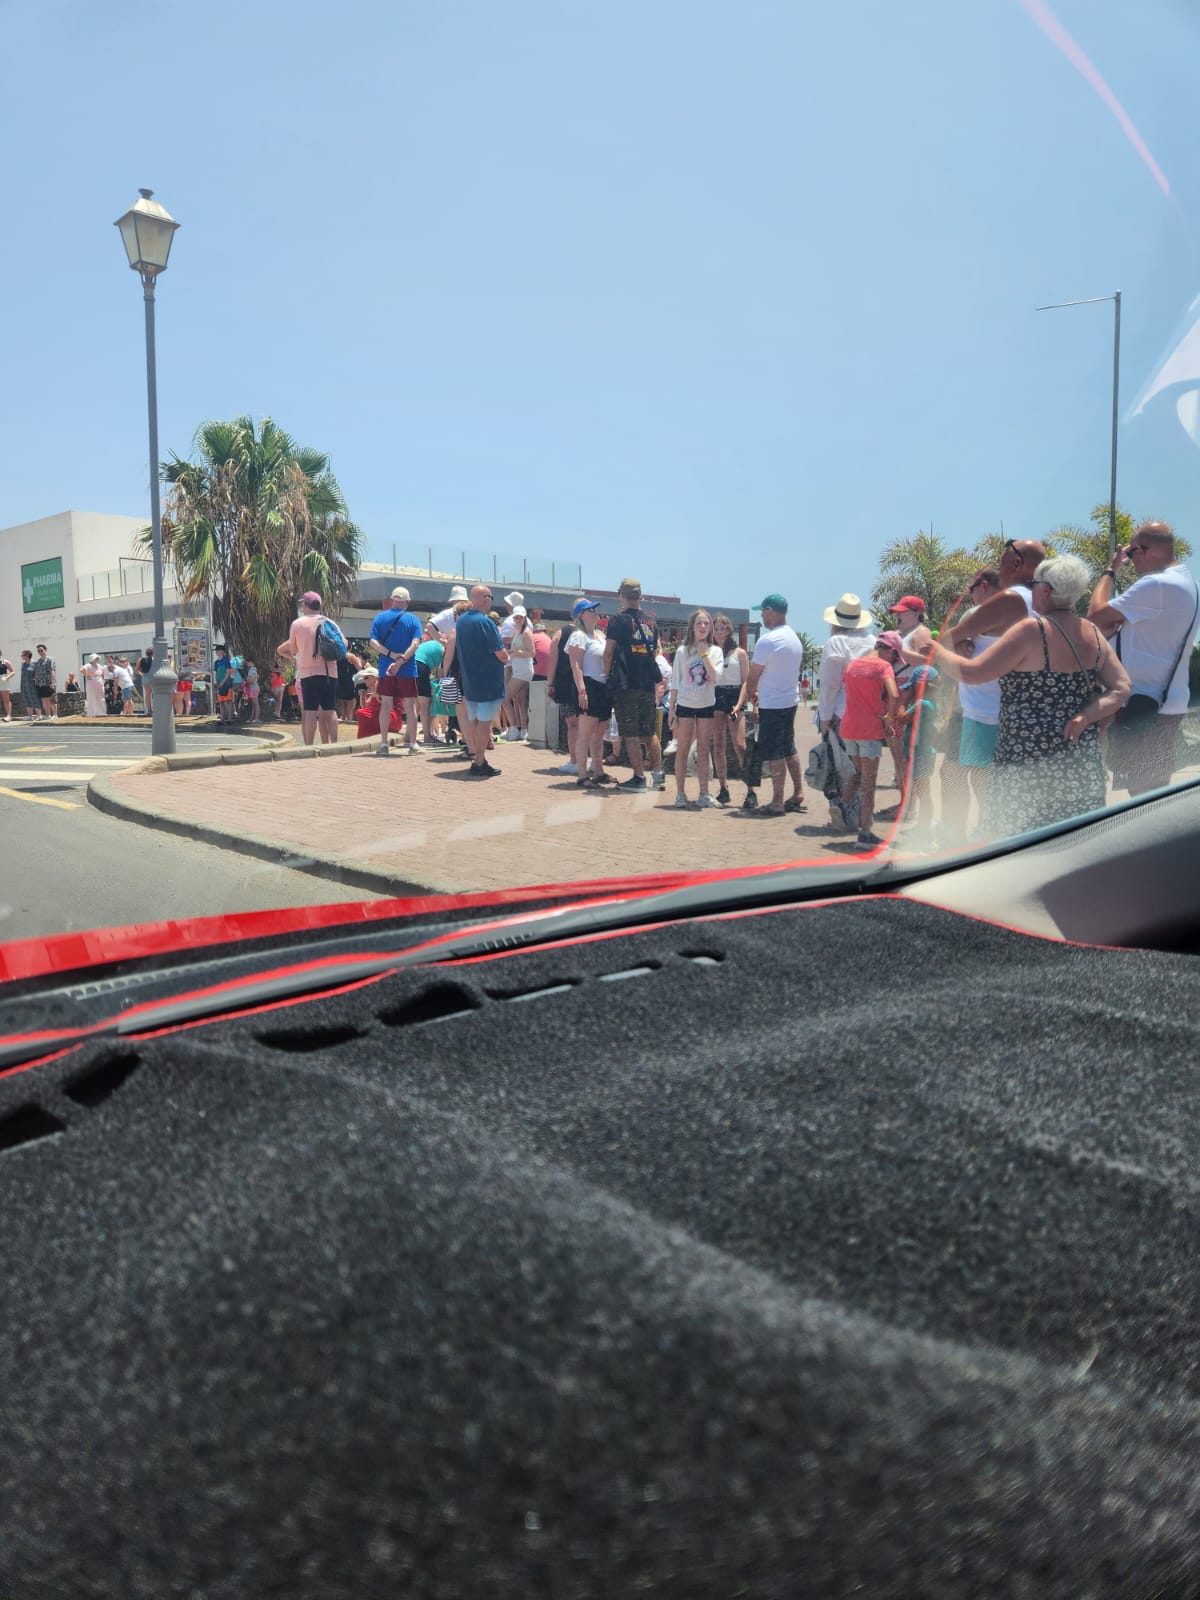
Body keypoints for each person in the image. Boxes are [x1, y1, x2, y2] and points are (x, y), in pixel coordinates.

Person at [919, 555, 1130, 841]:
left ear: (1045, 589)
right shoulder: (1092, 633)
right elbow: (1121, 688)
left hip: (1026, 761)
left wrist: (935, 648)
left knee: (1022, 848)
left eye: (1034, 585)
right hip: (1079, 763)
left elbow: (973, 673)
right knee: (1074, 844)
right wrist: (1086, 716)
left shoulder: (1033, 630)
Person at [1087, 521, 1200, 796]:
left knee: (1143, 797)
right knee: (1150, 790)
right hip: (1161, 702)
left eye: (1132, 552)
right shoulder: (1189, 584)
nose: (1131, 559)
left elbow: (1095, 615)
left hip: (1145, 704)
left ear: (1145, 550)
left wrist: (1110, 570)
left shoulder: (1158, 585)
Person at [816, 594, 877, 823]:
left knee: (842, 767)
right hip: (869, 714)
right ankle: (863, 818)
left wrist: (824, 716)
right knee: (865, 767)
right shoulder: (871, 641)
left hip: (842, 712)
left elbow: (830, 686)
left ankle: (844, 811)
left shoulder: (836, 643)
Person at [746, 594, 806, 817]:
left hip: (772, 704)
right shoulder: (794, 639)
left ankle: (777, 801)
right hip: (790, 701)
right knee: (789, 747)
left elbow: (753, 676)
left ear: (771, 611)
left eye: (762, 611)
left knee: (774, 753)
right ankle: (798, 792)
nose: (761, 615)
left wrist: (752, 694)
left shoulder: (768, 641)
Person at [838, 638, 902, 849]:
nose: (894, 662)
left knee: (858, 773)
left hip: (848, 728)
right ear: (889, 650)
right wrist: (889, 718)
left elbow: (847, 687)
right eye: (894, 656)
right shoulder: (883, 667)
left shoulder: (853, 664)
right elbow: (893, 694)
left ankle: (841, 806)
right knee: (868, 783)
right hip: (869, 729)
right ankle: (865, 834)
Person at [603, 577, 664, 790]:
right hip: (647, 684)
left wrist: (606, 676)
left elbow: (609, 651)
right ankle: (658, 775)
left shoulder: (618, 620)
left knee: (630, 733)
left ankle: (639, 777)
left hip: (626, 683)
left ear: (621, 595)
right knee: (649, 732)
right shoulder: (651, 621)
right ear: (640, 595)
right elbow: (655, 652)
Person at [442, 584, 509, 776]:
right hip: (488, 681)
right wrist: (507, 656)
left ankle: (476, 755)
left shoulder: (461, 622)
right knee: (484, 724)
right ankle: (479, 761)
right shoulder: (485, 622)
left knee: (472, 721)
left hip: (469, 680)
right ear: (486, 599)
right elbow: (500, 654)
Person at [667, 610, 722, 809]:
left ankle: (704, 793)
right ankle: (680, 793)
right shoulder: (682, 651)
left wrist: (703, 653)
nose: (703, 627)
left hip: (706, 704)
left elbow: (716, 678)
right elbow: (675, 681)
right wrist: (672, 709)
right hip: (685, 705)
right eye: (699, 623)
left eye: (706, 624)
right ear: (692, 627)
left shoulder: (716, 652)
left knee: (703, 749)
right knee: (682, 749)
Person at [277, 590, 344, 747]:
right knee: (330, 711)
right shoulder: (330, 623)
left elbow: (293, 650)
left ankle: (309, 746)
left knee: (309, 712)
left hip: (309, 673)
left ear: (305, 605)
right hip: (330, 673)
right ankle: (334, 744)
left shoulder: (298, 624)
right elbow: (344, 645)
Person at [368, 586, 423, 756]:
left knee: (386, 704)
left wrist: (390, 655)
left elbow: (373, 642)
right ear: (406, 602)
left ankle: (384, 744)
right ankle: (413, 745)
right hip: (407, 668)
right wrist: (401, 661)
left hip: (386, 669)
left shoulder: (380, 618)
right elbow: (415, 644)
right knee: (410, 705)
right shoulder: (413, 620)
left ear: (392, 600)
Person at [567, 600, 614, 788]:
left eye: (595, 610)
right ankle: (581, 773)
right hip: (589, 684)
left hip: (603, 686)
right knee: (585, 732)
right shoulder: (578, 636)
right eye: (590, 610)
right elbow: (575, 664)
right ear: (581, 614)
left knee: (599, 732)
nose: (595, 613)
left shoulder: (600, 635)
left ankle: (598, 770)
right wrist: (581, 690)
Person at [710, 615, 748, 807]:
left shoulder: (739, 653)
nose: (719, 632)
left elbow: (746, 681)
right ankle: (723, 788)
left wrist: (740, 703)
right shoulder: (711, 652)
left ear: (729, 630)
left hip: (735, 697)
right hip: (717, 696)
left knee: (739, 745)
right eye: (716, 629)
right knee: (718, 745)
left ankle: (751, 789)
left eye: (723, 628)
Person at [547, 606, 584, 775]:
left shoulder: (561, 633)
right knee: (587, 724)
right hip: (589, 684)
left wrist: (550, 683)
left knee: (572, 724)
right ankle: (585, 759)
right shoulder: (594, 633)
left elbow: (552, 659)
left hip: (567, 683)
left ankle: (575, 760)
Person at [504, 607, 535, 740]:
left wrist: (517, 653)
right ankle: (523, 729)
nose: (518, 619)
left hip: (523, 671)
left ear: (525, 618)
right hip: (518, 668)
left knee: (504, 697)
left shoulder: (526, 632)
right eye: (516, 617)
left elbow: (532, 653)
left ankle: (514, 727)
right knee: (520, 701)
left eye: (520, 617)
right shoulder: (517, 631)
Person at [415, 621, 447, 744]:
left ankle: (409, 736)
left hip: (414, 665)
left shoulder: (431, 644)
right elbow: (440, 672)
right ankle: (427, 736)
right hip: (421, 666)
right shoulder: (442, 648)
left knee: (416, 704)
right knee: (425, 704)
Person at [32, 643, 56, 722]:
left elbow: (52, 670)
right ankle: (48, 715)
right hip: (40, 684)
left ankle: (55, 715)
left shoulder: (50, 659)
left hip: (49, 682)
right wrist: (35, 680)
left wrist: (52, 682)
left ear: (45, 650)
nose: (40, 652)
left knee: (51, 699)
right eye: (39, 651)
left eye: (41, 650)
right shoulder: (37, 661)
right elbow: (36, 672)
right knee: (44, 700)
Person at [19, 650, 39, 722]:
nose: (21, 656)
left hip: (32, 684)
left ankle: (38, 715)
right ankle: (30, 716)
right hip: (24, 684)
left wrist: (36, 679)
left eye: (23, 655)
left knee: (35, 699)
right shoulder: (23, 664)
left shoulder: (35, 663)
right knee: (26, 699)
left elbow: (37, 673)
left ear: (27, 655)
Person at [135, 643, 154, 716]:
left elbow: (136, 670)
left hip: (145, 677)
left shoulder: (140, 659)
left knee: (147, 694)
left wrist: (142, 675)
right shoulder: (155, 659)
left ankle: (149, 711)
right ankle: (156, 709)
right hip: (154, 677)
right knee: (155, 694)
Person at [242, 659, 261, 723]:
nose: (247, 664)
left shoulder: (251, 671)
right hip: (253, 688)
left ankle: (256, 718)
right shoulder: (254, 670)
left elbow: (251, 680)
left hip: (253, 689)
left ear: (251, 662)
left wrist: (245, 682)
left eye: (248, 662)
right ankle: (252, 718)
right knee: (253, 704)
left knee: (255, 704)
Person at [0, 648, 13, 722]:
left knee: (6, 699)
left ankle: (8, 716)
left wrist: (6, 677)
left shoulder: (5, 662)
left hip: (3, 680)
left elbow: (13, 671)